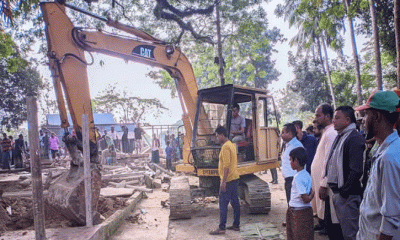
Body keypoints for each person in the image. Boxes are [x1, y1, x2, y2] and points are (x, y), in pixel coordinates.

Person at [355, 91, 400, 240]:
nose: (363, 120)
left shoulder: (389, 157)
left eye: (366, 114)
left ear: (377, 116)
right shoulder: (385, 149)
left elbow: (391, 216)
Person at [325, 106, 365, 239]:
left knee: (351, 234)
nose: (333, 121)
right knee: (346, 232)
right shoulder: (342, 136)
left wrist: (344, 192)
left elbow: (356, 170)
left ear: (347, 120)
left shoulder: (353, 137)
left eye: (337, 118)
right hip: (341, 194)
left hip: (348, 196)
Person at [311, 104, 341, 239]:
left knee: (333, 226)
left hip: (327, 188)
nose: (315, 118)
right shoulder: (327, 132)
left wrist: (324, 184)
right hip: (323, 187)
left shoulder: (331, 133)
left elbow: (329, 161)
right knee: (328, 224)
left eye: (318, 115)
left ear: (327, 116)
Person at [209, 126, 240, 235]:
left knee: (223, 203)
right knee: (235, 202)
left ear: (222, 135)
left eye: (217, 136)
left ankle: (222, 227)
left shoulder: (225, 147)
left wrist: (223, 181)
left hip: (228, 179)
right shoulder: (231, 145)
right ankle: (236, 224)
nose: (217, 138)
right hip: (234, 178)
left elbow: (226, 165)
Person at [286, 147, 315, 240]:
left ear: (296, 161)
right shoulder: (306, 174)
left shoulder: (298, 177)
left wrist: (311, 196)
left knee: (297, 236)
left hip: (298, 212)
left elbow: (305, 198)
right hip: (306, 211)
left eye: (291, 159)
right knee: (306, 235)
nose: (290, 162)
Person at [281, 123, 304, 205]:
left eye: (283, 132)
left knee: (295, 204)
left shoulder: (296, 146)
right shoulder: (288, 145)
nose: (281, 135)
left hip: (294, 179)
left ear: (290, 134)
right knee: (291, 203)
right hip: (289, 180)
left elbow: (301, 164)